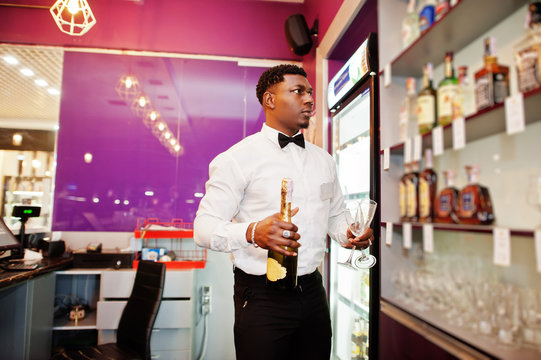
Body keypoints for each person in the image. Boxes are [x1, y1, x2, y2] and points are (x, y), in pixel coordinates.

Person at [194, 64, 374, 360]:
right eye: (298, 91)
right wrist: (253, 232)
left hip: (314, 292)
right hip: (262, 296)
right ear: (270, 100)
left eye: (310, 92)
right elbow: (203, 228)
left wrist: (351, 234)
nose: (309, 100)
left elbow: (336, 216)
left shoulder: (324, 160)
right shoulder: (236, 159)